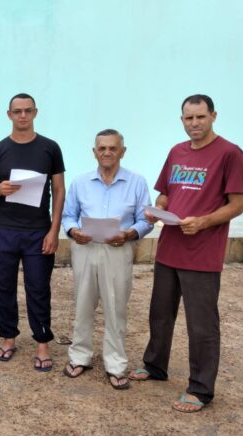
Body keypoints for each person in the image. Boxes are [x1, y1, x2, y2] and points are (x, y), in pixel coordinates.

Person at [129, 94, 243, 412]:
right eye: (188, 118)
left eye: (200, 117)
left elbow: (237, 204)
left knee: (201, 324)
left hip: (202, 252)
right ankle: (155, 366)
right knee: (160, 314)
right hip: (170, 247)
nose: (194, 123)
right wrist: (157, 211)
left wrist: (204, 221)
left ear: (213, 116)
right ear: (181, 119)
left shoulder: (230, 154)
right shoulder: (176, 152)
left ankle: (201, 389)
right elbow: (167, 192)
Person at [0, 93, 65, 370]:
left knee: (38, 288)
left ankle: (42, 343)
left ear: (35, 113)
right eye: (17, 111)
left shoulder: (50, 148)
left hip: (38, 231)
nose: (23, 116)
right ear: (9, 115)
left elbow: (60, 191)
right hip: (3, 230)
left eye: (28, 111)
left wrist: (54, 231)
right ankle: (8, 338)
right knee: (1, 287)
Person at [61, 129, 153, 389]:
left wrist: (130, 233)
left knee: (116, 308)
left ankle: (115, 364)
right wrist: (73, 231)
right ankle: (80, 357)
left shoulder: (136, 182)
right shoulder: (80, 182)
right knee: (82, 304)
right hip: (85, 248)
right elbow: (69, 215)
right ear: (94, 151)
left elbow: (145, 220)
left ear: (123, 151)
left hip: (118, 249)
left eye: (113, 148)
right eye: (102, 148)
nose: (107, 152)